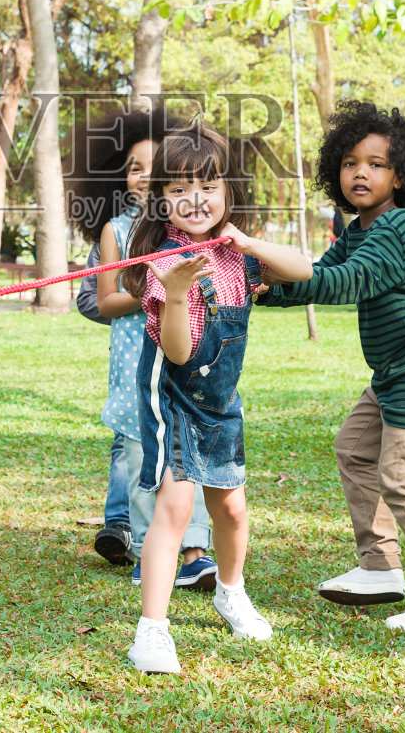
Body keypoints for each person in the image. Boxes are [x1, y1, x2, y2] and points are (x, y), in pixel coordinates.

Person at [256, 100, 405, 634]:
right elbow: (316, 276)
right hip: (398, 367)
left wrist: (262, 255)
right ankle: (379, 568)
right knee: (355, 449)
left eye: (376, 163)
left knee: (402, 478)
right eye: (351, 161)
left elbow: (347, 281)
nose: (361, 172)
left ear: (400, 177)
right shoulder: (357, 230)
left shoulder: (399, 227)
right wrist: (258, 287)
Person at [121, 123, 313, 674]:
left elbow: (304, 268)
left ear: (228, 192)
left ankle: (232, 591)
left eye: (208, 185)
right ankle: (151, 631)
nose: (195, 199)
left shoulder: (239, 256)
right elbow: (178, 354)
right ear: (161, 202)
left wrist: (248, 243)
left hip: (221, 401)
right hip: (175, 400)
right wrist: (177, 291)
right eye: (179, 188)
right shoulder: (165, 263)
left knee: (230, 506)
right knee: (177, 505)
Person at [70, 107, 216, 590]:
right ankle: (145, 551)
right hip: (136, 358)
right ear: (122, 177)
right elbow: (106, 299)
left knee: (188, 451)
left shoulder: (190, 228)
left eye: (158, 166)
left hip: (189, 354)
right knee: (139, 455)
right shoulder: (116, 230)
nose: (145, 174)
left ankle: (194, 552)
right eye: (135, 166)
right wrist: (156, 291)